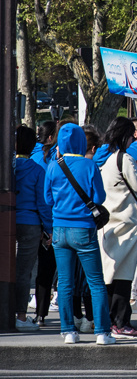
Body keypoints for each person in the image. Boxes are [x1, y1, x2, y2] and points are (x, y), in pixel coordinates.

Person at [45, 122, 112, 345]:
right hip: (84, 228)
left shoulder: (54, 165)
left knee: (65, 282)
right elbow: (99, 198)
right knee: (95, 281)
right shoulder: (89, 165)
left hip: (59, 229)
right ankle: (102, 332)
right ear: (82, 142)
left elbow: (48, 199)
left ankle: (68, 331)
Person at [99, 115, 137, 339]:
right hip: (127, 224)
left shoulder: (109, 159)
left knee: (110, 273)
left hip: (110, 223)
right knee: (124, 275)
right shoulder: (125, 158)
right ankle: (121, 322)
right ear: (127, 136)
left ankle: (111, 322)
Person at [13, 125, 48, 332]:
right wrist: (48, 228)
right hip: (31, 222)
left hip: (8, 220)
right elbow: (43, 204)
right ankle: (21, 315)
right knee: (23, 272)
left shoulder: (7, 167)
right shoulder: (37, 170)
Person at [26, 120, 59, 330]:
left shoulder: (31, 156)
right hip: (49, 220)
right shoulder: (54, 159)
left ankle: (25, 312)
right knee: (48, 270)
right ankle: (41, 313)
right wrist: (48, 227)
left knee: (26, 270)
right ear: (50, 138)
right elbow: (46, 197)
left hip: (29, 219)